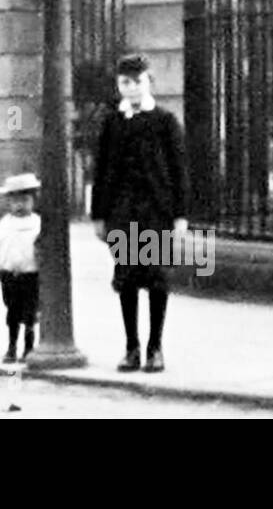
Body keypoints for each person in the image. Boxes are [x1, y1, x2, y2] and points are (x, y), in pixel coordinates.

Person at [90, 54, 191, 373]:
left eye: (137, 82)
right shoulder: (111, 122)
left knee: (157, 278)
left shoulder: (165, 121)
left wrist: (180, 216)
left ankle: (155, 347)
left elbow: (179, 171)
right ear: (118, 85)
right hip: (122, 212)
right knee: (127, 278)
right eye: (125, 82)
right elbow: (101, 168)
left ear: (149, 83)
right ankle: (131, 347)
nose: (131, 89)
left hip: (156, 213)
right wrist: (98, 215)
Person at [0, 173, 42, 363]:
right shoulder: (4, 224)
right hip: (9, 274)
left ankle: (28, 347)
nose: (20, 205)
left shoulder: (37, 223)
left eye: (25, 200)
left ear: (33, 200)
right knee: (12, 311)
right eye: (15, 200)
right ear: (8, 202)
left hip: (31, 274)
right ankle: (11, 346)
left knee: (30, 313)